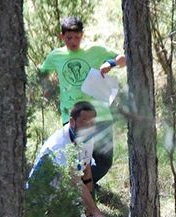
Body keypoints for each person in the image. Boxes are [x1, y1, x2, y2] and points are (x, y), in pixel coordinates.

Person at [38, 16, 126, 187]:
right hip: (73, 117)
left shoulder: (94, 50)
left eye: (77, 37)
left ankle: (85, 185)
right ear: (62, 37)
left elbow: (123, 58)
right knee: (78, 160)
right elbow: (42, 74)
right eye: (69, 38)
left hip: (100, 115)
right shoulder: (56, 56)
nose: (73, 41)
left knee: (104, 162)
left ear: (82, 35)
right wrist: (47, 87)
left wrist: (110, 63)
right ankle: (80, 192)